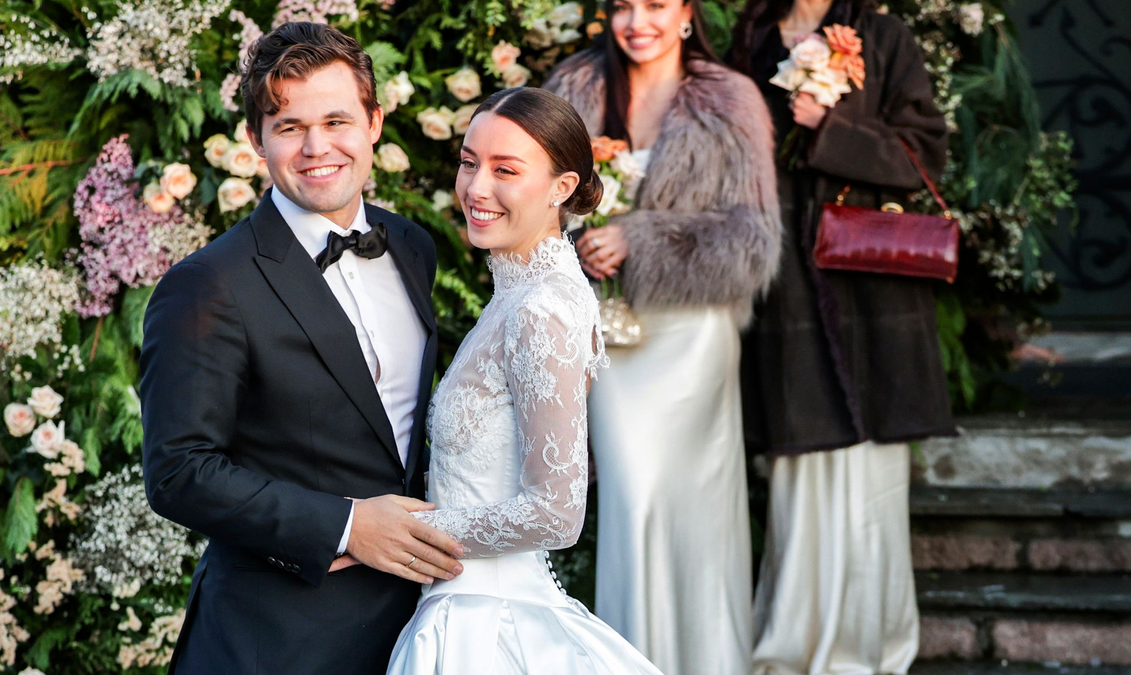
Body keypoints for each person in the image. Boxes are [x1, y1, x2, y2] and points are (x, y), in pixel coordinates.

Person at [139, 22, 465, 674]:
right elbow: (178, 470)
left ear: (374, 122)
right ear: (257, 140)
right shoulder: (207, 284)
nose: (317, 146)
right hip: (275, 635)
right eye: (289, 126)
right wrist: (346, 524)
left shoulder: (413, 247)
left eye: (337, 120)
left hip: (415, 625)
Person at [384, 86, 662, 675]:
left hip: (486, 622)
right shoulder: (516, 293)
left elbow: (557, 513)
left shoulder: (543, 308)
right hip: (462, 601)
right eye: (468, 162)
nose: (477, 188)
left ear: (562, 187)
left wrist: (399, 532)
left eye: (505, 170)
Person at [543, 1, 782, 673]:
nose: (638, 20)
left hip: (693, 337)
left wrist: (640, 238)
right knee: (633, 495)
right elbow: (532, 203)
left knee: (697, 511)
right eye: (624, 5)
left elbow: (754, 240)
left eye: (656, 4)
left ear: (686, 13)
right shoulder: (573, 90)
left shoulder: (730, 100)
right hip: (609, 339)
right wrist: (579, 244)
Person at [728, 1, 955, 673]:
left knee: (870, 469)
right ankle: (796, 640)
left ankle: (868, 644)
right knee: (799, 465)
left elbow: (925, 154)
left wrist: (833, 125)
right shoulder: (754, 38)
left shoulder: (883, 36)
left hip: (870, 283)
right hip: (786, 284)